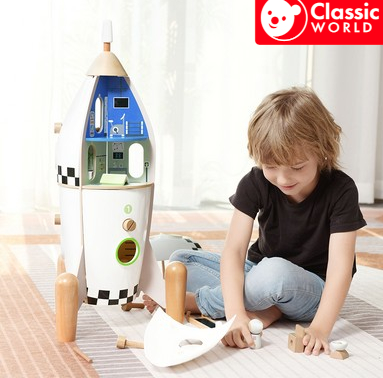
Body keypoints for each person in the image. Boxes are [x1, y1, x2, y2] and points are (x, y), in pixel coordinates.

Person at [144, 86, 366, 356]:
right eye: (271, 166)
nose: (283, 179)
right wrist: (237, 314)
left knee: (273, 274)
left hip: (311, 290)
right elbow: (234, 251)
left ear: (322, 151)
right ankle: (268, 308)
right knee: (182, 260)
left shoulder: (342, 190)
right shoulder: (255, 181)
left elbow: (341, 268)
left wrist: (320, 328)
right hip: (259, 271)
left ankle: (198, 302)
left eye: (297, 167)